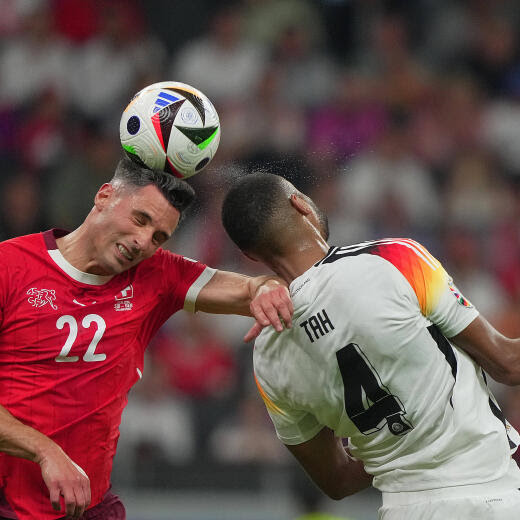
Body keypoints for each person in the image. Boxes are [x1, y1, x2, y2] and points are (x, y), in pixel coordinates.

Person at [0, 157, 293, 520]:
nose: (142, 242)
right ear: (104, 196)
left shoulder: (157, 275)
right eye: (140, 219)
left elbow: (251, 287)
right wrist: (45, 451)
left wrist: (267, 288)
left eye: (158, 237)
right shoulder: (8, 266)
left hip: (87, 508)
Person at [221, 172, 520, 520]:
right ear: (300, 203)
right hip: (491, 496)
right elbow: (508, 364)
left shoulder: (267, 356)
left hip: (401, 510)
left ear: (251, 256)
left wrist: (398, 445)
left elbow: (336, 481)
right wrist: (424, 424)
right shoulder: (393, 259)